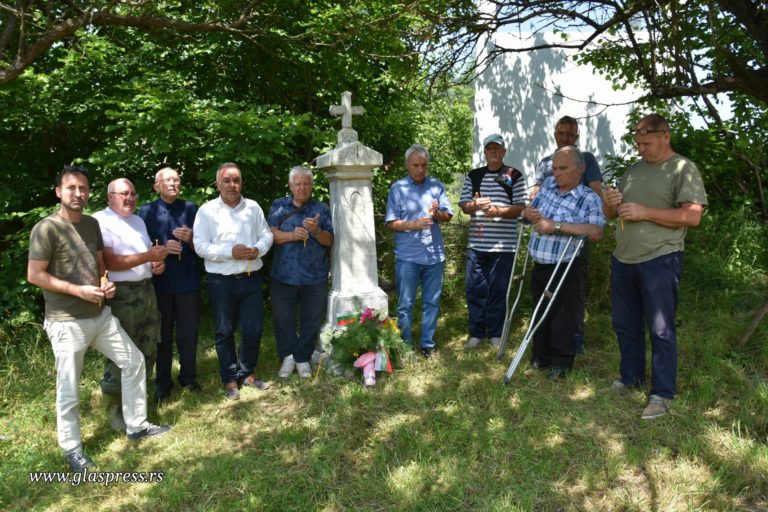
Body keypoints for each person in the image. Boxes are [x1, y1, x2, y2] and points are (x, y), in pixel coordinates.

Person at [27, 165, 169, 472]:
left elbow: (101, 265)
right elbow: (34, 274)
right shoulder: (47, 228)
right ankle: (73, 449)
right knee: (69, 387)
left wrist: (106, 282)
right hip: (67, 320)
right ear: (58, 192)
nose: (78, 193)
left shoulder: (91, 225)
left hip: (100, 314)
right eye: (71, 188)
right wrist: (78, 290)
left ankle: (136, 425)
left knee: (133, 361)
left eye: (82, 188)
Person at [603, 113, 708, 420]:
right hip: (624, 258)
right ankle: (630, 377)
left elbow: (692, 216)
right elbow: (612, 214)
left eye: (646, 143)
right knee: (625, 324)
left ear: (665, 135)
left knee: (661, 329)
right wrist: (610, 202)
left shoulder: (683, 169)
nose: (641, 149)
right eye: (638, 143)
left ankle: (662, 394)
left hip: (660, 259)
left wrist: (645, 211)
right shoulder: (634, 170)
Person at [193, 162, 274, 400]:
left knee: (253, 328)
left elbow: (267, 235)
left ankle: (247, 372)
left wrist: (258, 249)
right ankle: (229, 378)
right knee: (224, 330)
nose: (232, 185)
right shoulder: (207, 211)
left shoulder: (253, 207)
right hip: (221, 281)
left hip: (250, 278)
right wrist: (230, 252)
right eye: (226, 180)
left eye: (236, 180)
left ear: (241, 183)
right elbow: (200, 246)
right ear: (217, 184)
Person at [93, 178, 168, 431]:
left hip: (147, 291)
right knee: (121, 354)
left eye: (133, 194)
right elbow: (111, 261)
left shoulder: (138, 221)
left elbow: (147, 257)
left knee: (148, 349)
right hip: (121, 296)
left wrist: (156, 264)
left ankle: (138, 408)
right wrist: (149, 256)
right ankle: (115, 411)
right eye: (124, 194)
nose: (130, 198)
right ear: (109, 196)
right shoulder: (100, 221)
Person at [523, 146, 604, 379]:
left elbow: (596, 231)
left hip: (566, 265)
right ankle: (540, 357)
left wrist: (556, 226)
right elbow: (535, 209)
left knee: (563, 316)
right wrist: (530, 213)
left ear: (580, 169)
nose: (556, 173)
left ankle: (561, 362)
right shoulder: (548, 186)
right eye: (555, 168)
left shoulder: (588, 198)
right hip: (540, 262)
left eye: (562, 169)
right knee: (539, 312)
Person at [138, 167, 201, 402]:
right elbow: (139, 249)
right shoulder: (145, 212)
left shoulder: (191, 209)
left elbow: (204, 247)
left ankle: (189, 377)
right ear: (156, 186)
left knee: (188, 334)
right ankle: (162, 382)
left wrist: (190, 238)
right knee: (161, 336)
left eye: (175, 179)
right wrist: (162, 251)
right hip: (159, 284)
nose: (172, 183)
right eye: (166, 180)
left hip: (188, 281)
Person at [458, 133, 526, 349]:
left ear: (504, 151)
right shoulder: (474, 175)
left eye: (497, 148)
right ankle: (476, 334)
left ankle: (495, 334)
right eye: (490, 149)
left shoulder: (514, 175)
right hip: (477, 246)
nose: (493, 152)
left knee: (499, 290)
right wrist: (476, 205)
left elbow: (520, 208)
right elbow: (463, 205)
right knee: (476, 290)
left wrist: (497, 210)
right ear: (484, 151)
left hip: (504, 246)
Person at [385, 144, 453, 356]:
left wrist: (436, 214)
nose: (421, 169)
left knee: (431, 302)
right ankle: (405, 346)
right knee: (405, 304)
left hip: (434, 256)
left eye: (424, 165)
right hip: (408, 257)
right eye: (416, 165)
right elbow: (390, 223)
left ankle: (427, 345)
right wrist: (413, 224)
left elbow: (448, 215)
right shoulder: (398, 189)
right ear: (407, 165)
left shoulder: (435, 186)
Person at [267, 166, 334, 378]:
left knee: (312, 319)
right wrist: (293, 235)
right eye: (298, 184)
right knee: (283, 318)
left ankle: (302, 357)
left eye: (306, 184)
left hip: (314, 276)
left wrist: (315, 231)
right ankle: (288, 356)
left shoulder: (321, 209)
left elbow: (329, 240)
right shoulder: (279, 205)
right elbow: (270, 235)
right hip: (283, 275)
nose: (302, 188)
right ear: (291, 186)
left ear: (312, 186)